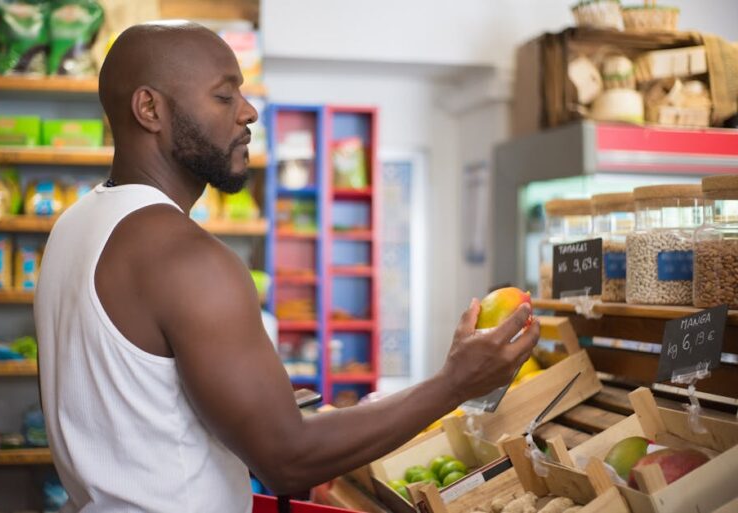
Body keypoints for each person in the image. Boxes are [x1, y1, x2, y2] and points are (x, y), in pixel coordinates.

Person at [34, 21, 540, 513]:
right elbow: (288, 460)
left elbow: (136, 408)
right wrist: (454, 384)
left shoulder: (75, 226)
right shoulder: (186, 258)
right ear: (150, 109)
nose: (249, 112)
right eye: (224, 95)